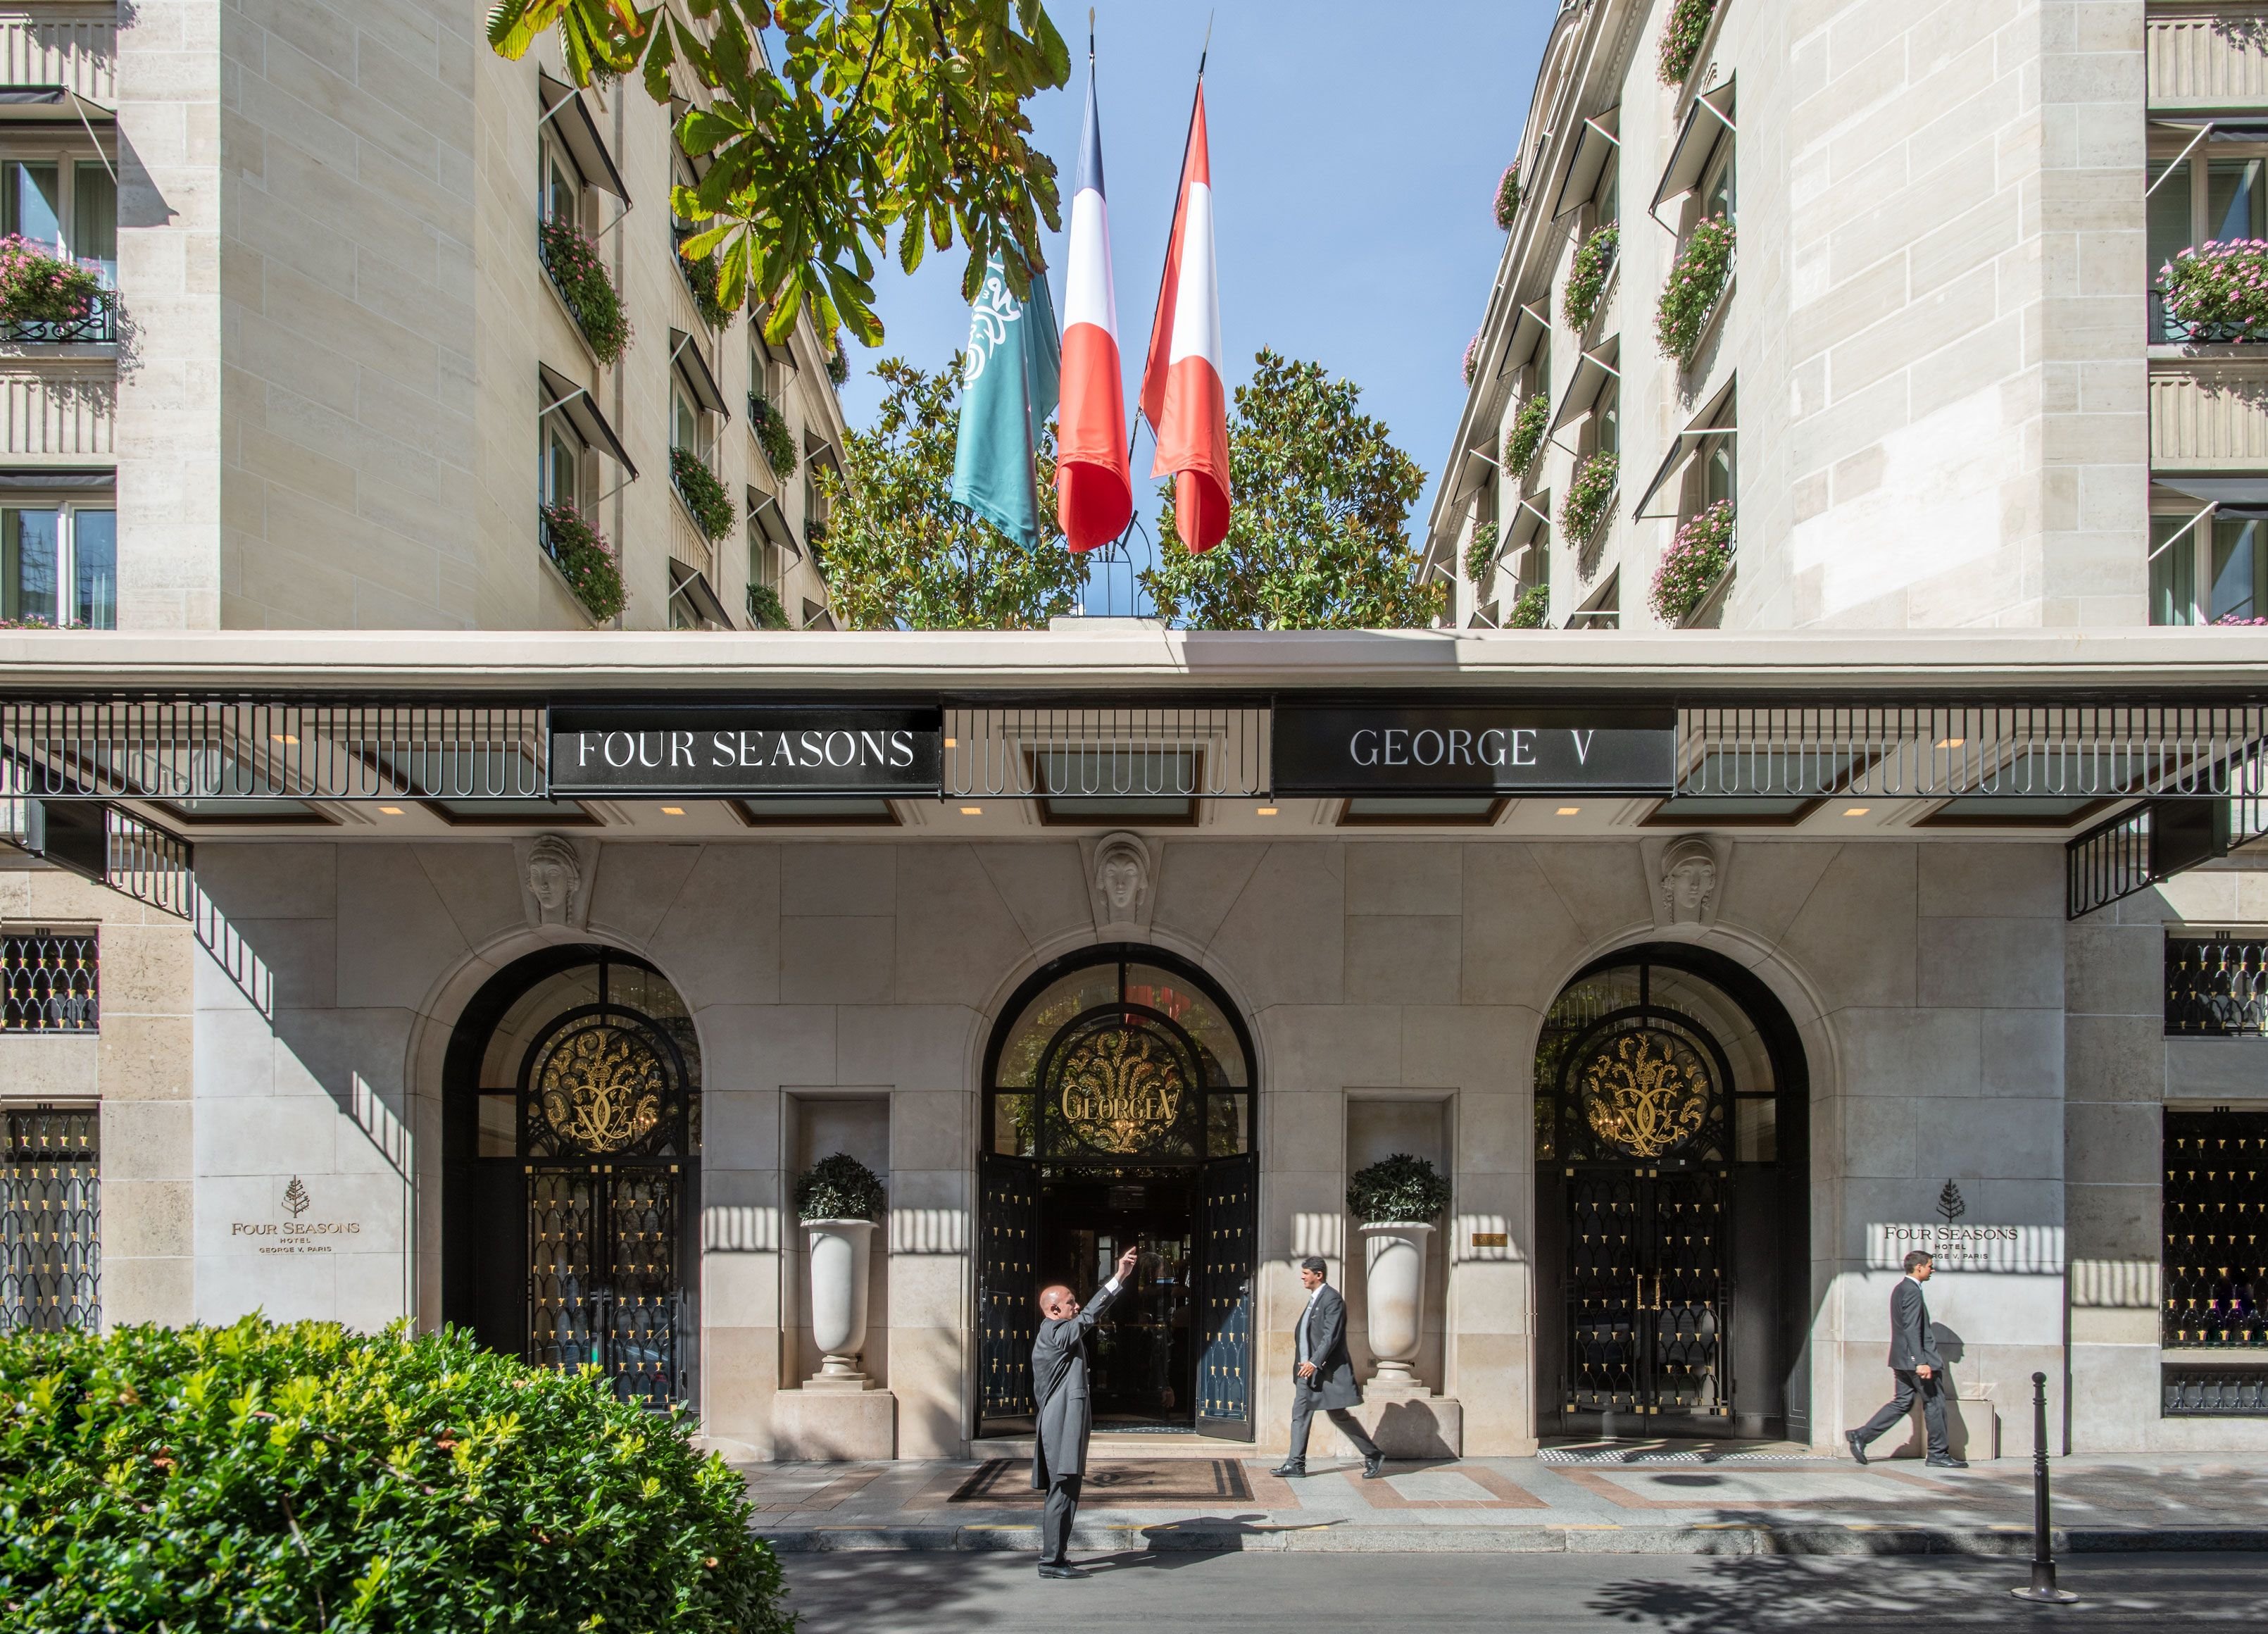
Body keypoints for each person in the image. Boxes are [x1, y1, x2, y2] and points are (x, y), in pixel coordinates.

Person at [1030, 1242, 1141, 1579]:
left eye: (1075, 1301)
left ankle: (1057, 1557)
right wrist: (1119, 1277)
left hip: (1065, 1422)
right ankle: (1051, 1562)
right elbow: (1092, 1314)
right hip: (1061, 1424)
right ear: (1053, 1310)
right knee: (1062, 1492)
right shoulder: (1056, 1333)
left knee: (1066, 1492)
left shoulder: (1057, 1331)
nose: (1076, 1307)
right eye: (1069, 1303)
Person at [1846, 1249, 1967, 1469]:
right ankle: (1938, 1454)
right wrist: (1920, 1361)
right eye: (1930, 1266)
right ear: (1919, 1267)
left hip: (1901, 1360)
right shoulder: (1911, 1291)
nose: (1933, 1270)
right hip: (1915, 1361)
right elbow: (1912, 1328)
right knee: (1935, 1404)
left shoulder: (1901, 1289)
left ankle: (1861, 1435)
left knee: (1903, 1402)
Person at [1269, 1255, 1385, 1480]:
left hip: (1322, 1372)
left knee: (1335, 1415)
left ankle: (1373, 1454)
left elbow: (1330, 1336)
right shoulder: (1316, 1299)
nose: (1302, 1277)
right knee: (1304, 1413)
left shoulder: (1332, 1300)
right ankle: (1296, 1464)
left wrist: (1314, 1362)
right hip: (1308, 1372)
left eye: (1306, 1273)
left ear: (1318, 1275)